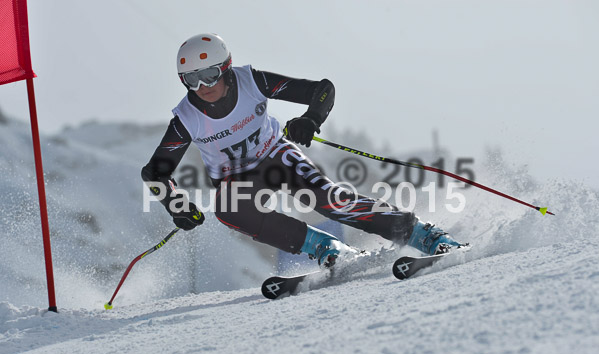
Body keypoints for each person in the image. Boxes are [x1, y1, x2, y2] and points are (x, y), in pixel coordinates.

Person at [142, 33, 464, 267]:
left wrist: (310, 119)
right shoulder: (186, 118)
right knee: (227, 209)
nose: (203, 87)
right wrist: (175, 204)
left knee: (328, 199)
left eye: (209, 75)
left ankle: (422, 234)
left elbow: (322, 91)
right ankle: (325, 246)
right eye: (192, 80)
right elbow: (156, 171)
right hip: (238, 180)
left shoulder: (253, 82)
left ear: (225, 68)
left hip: (277, 158)